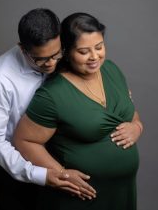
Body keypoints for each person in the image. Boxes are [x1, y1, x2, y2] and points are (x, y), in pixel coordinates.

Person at [13, 12, 143, 210]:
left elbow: (130, 112)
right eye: (83, 52)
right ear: (66, 51)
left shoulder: (112, 70)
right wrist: (62, 174)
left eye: (99, 47)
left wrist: (137, 126)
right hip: (79, 197)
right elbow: (25, 140)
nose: (94, 57)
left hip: (121, 192)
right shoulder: (52, 94)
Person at [0, 8, 95, 210]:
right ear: (22, 49)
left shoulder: (60, 54)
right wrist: (39, 174)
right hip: (14, 174)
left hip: (53, 160)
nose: (51, 64)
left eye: (56, 54)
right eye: (40, 59)